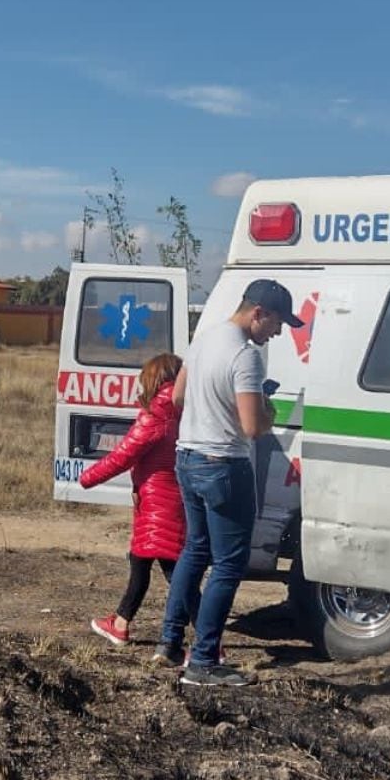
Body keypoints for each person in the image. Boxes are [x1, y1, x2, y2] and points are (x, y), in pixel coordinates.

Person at [156, 279, 303, 687]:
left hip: (187, 457)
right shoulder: (246, 355)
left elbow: (177, 398)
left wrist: (212, 407)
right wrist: (269, 409)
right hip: (224, 464)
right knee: (228, 565)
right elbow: (254, 427)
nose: (278, 332)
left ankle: (169, 642)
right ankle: (203, 661)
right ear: (258, 312)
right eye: (277, 323)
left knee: (194, 551)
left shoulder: (204, 339)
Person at [81, 353, 185, 647]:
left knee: (176, 575)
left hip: (157, 503)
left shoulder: (156, 414)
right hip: (165, 500)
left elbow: (123, 455)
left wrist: (86, 478)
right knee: (140, 562)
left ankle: (210, 641)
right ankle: (120, 623)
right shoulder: (179, 409)